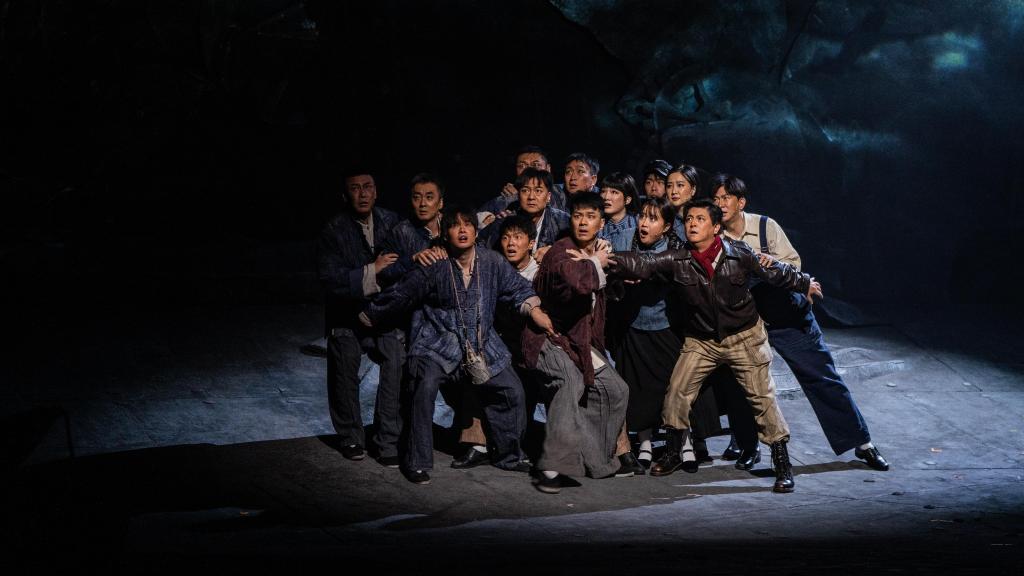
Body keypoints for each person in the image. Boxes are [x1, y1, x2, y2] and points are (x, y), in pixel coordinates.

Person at [610, 199, 822, 493]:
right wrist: (604, 257)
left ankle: (781, 461)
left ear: (716, 227)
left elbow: (776, 273)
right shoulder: (678, 258)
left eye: (700, 219)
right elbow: (644, 263)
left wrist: (804, 282)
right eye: (689, 219)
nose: (692, 224)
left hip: (744, 337)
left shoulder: (739, 253)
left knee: (762, 399)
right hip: (703, 340)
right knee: (677, 393)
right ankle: (673, 451)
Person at [361, 207, 554, 485]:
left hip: (482, 343)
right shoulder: (435, 264)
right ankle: (417, 461)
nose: (462, 230)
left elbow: (518, 288)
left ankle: (509, 456)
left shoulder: (492, 262)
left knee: (512, 390)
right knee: (424, 387)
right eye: (455, 226)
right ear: (445, 234)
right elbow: (402, 293)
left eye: (468, 225)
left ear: (476, 232)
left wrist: (533, 309)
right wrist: (369, 315)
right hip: (438, 343)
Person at [712, 174, 889, 471]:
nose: (720, 204)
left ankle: (863, 443)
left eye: (725, 198)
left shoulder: (765, 227)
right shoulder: (716, 237)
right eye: (716, 199)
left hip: (788, 315)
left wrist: (771, 263)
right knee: (743, 384)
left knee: (823, 378)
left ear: (741, 203)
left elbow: (794, 265)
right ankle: (748, 445)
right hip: (750, 320)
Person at [521, 192, 631, 493]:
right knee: (570, 382)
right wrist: (595, 262)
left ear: (601, 223)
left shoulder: (598, 251)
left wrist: (603, 262)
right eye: (578, 215)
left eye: (590, 216)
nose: (583, 222)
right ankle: (552, 467)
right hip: (548, 338)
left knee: (616, 389)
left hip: (578, 341)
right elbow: (577, 281)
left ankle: (594, 460)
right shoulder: (561, 252)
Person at [605, 197, 722, 471]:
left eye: (653, 218)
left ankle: (685, 443)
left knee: (677, 389)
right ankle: (645, 443)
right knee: (639, 391)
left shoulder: (676, 249)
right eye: (642, 217)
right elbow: (605, 257)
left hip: (667, 327)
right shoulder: (625, 239)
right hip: (634, 327)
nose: (644, 224)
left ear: (667, 226)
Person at [316, 169, 403, 466]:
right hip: (347, 313)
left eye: (368, 187)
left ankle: (387, 438)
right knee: (343, 360)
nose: (362, 194)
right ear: (345, 195)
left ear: (376, 192)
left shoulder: (391, 221)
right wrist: (372, 270)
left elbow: (402, 264)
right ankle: (351, 435)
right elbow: (331, 280)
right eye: (355, 188)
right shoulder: (333, 230)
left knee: (396, 359)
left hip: (383, 312)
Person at [477, 168, 569, 263]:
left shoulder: (563, 221)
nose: (531, 197)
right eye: (525, 191)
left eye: (538, 191)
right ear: (518, 195)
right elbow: (481, 247)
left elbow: (576, 247)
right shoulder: (505, 221)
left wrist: (554, 250)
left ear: (548, 196)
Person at [478, 145, 552, 226]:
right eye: (522, 166)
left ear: (548, 168)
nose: (528, 170)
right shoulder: (501, 202)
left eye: (536, 165)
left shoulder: (561, 193)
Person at [665, 163, 700, 240]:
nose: (674, 191)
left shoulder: (704, 219)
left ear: (693, 189)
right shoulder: (663, 219)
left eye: (680, 185)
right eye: (669, 186)